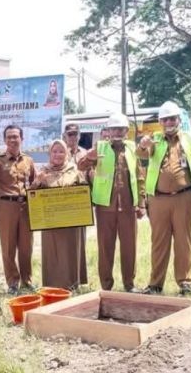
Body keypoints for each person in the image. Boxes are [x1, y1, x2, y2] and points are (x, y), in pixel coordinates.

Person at [137, 101, 191, 295]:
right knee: (159, 241)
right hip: (158, 199)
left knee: (183, 240)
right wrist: (143, 145)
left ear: (179, 119)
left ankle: (185, 282)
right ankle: (155, 284)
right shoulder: (154, 139)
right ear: (160, 121)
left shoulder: (190, 138)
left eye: (172, 118)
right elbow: (142, 154)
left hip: (184, 197)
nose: (169, 121)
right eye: (165, 119)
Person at [79, 112, 145, 292]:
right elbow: (81, 167)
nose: (117, 132)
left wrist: (142, 204)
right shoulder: (99, 147)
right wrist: (89, 157)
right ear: (108, 131)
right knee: (105, 247)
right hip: (104, 206)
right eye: (113, 128)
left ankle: (129, 284)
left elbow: (139, 177)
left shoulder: (133, 148)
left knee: (129, 247)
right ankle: (106, 286)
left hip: (128, 206)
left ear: (126, 131)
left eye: (121, 129)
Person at [33, 140, 89, 289]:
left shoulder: (75, 171)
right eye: (54, 151)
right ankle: (52, 285)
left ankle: (72, 284)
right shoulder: (43, 172)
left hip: (71, 221)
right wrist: (37, 182)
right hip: (51, 221)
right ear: (50, 153)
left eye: (61, 151)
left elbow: (84, 192)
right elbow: (33, 196)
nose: (58, 154)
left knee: (71, 250)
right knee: (53, 252)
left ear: (67, 154)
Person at [0, 125, 36, 295]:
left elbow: (35, 182)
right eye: (9, 137)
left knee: (26, 246)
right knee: (8, 246)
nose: (12, 140)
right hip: (6, 206)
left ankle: (27, 280)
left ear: (21, 139)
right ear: (4, 140)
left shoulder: (28, 161)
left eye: (15, 136)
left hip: (25, 206)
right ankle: (12, 282)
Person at [63, 122, 89, 285]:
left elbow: (92, 176)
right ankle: (64, 276)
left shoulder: (86, 154)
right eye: (69, 134)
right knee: (64, 241)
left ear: (79, 136)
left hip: (81, 202)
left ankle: (77, 278)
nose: (72, 137)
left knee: (79, 242)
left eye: (75, 134)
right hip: (62, 203)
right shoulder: (58, 152)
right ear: (64, 136)